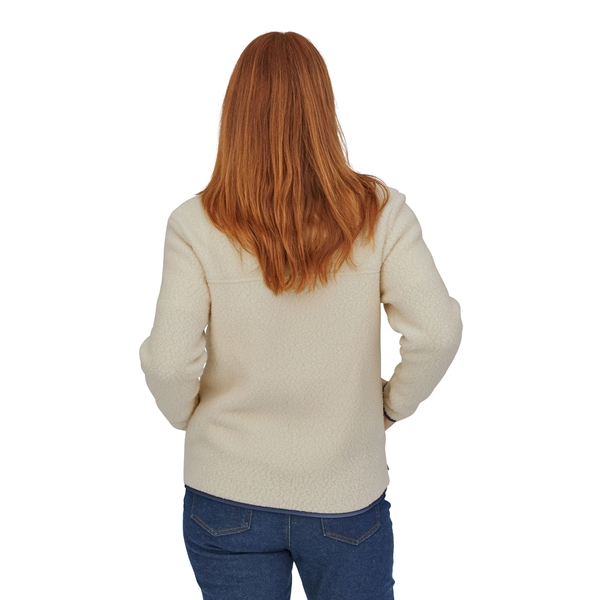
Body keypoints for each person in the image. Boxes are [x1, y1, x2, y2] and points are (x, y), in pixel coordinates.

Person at [139, 31, 462, 600]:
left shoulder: (194, 224)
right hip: (346, 495)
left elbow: (167, 362)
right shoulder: (381, 214)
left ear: (235, 113)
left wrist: (191, 417)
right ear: (323, 108)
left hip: (226, 495)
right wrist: (390, 406)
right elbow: (437, 332)